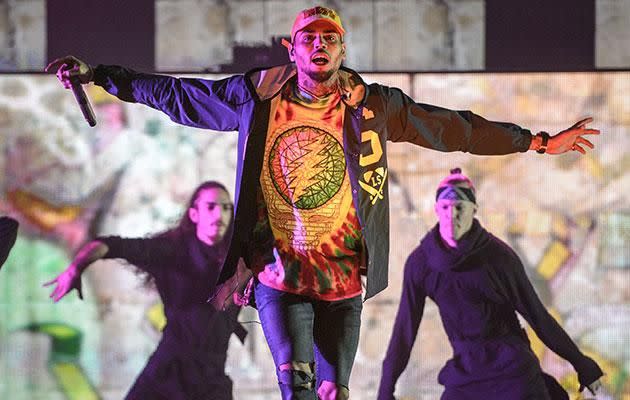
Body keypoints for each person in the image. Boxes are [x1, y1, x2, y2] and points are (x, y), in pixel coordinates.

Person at [45, 5, 600, 399]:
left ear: (341, 49)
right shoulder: (256, 97)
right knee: (299, 385)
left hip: (342, 285)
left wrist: (536, 141)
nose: (319, 45)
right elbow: (179, 95)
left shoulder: (374, 107)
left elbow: (453, 128)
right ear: (294, 47)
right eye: (308, 37)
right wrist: (101, 76)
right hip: (279, 277)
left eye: (329, 38)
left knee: (334, 391)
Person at [377, 168, 604, 400]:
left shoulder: (498, 257)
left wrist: (581, 364)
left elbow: (538, 316)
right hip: (466, 371)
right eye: (445, 207)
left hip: (511, 368)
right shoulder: (421, 263)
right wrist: (386, 389)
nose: (452, 214)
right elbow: (404, 331)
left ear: (473, 211)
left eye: (460, 207)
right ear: (437, 210)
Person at [44, 181, 247, 400]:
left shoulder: (238, 259)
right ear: (195, 214)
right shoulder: (172, 251)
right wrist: (75, 269)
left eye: (226, 208)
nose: (220, 214)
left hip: (211, 378)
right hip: (169, 372)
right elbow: (109, 246)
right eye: (211, 207)